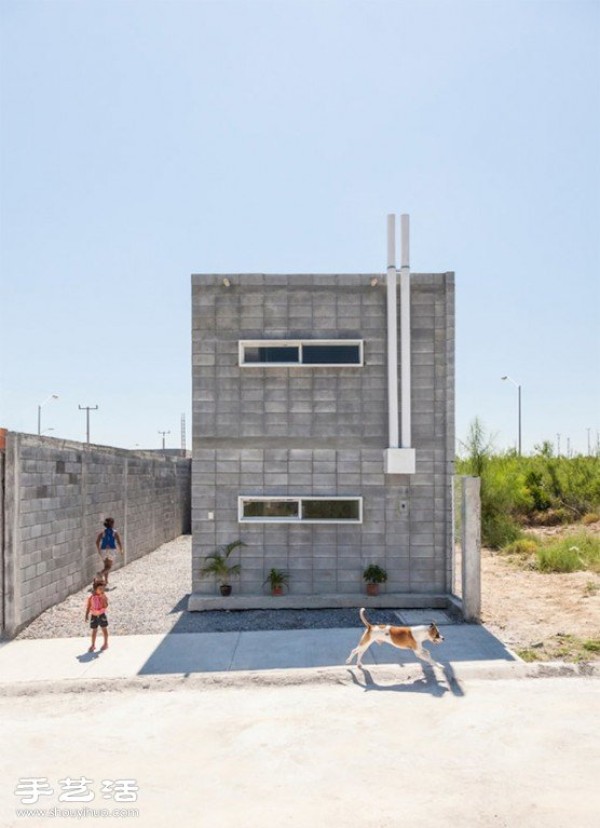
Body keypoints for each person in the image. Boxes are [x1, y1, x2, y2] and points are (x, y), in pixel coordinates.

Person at [95, 518, 123, 585]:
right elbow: (119, 542)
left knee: (106, 566)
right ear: (112, 524)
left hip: (103, 550)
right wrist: (121, 549)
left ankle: (106, 581)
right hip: (111, 550)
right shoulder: (114, 532)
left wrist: (98, 549)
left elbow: (97, 542)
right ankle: (100, 573)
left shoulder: (102, 532)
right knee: (109, 567)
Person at [85, 582, 108, 652]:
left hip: (101, 615)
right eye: (100, 589)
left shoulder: (103, 596)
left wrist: (103, 599)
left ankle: (106, 643)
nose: (102, 590)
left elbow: (106, 606)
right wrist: (86, 615)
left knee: (104, 629)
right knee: (94, 630)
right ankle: (93, 645)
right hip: (94, 616)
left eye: (103, 589)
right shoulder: (91, 598)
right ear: (95, 590)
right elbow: (88, 606)